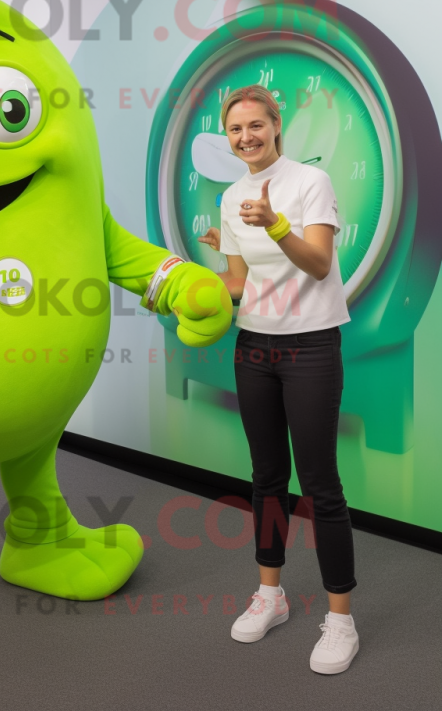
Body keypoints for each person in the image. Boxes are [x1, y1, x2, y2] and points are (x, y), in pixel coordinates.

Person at [198, 85, 358, 674]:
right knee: (267, 478)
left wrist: (274, 223)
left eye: (255, 126)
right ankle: (272, 594)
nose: (246, 137)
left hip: (312, 346)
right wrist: (193, 285)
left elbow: (318, 263)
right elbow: (238, 284)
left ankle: (341, 619)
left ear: (276, 126)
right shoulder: (230, 195)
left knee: (320, 486)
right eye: (236, 130)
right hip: (254, 347)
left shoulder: (309, 184)